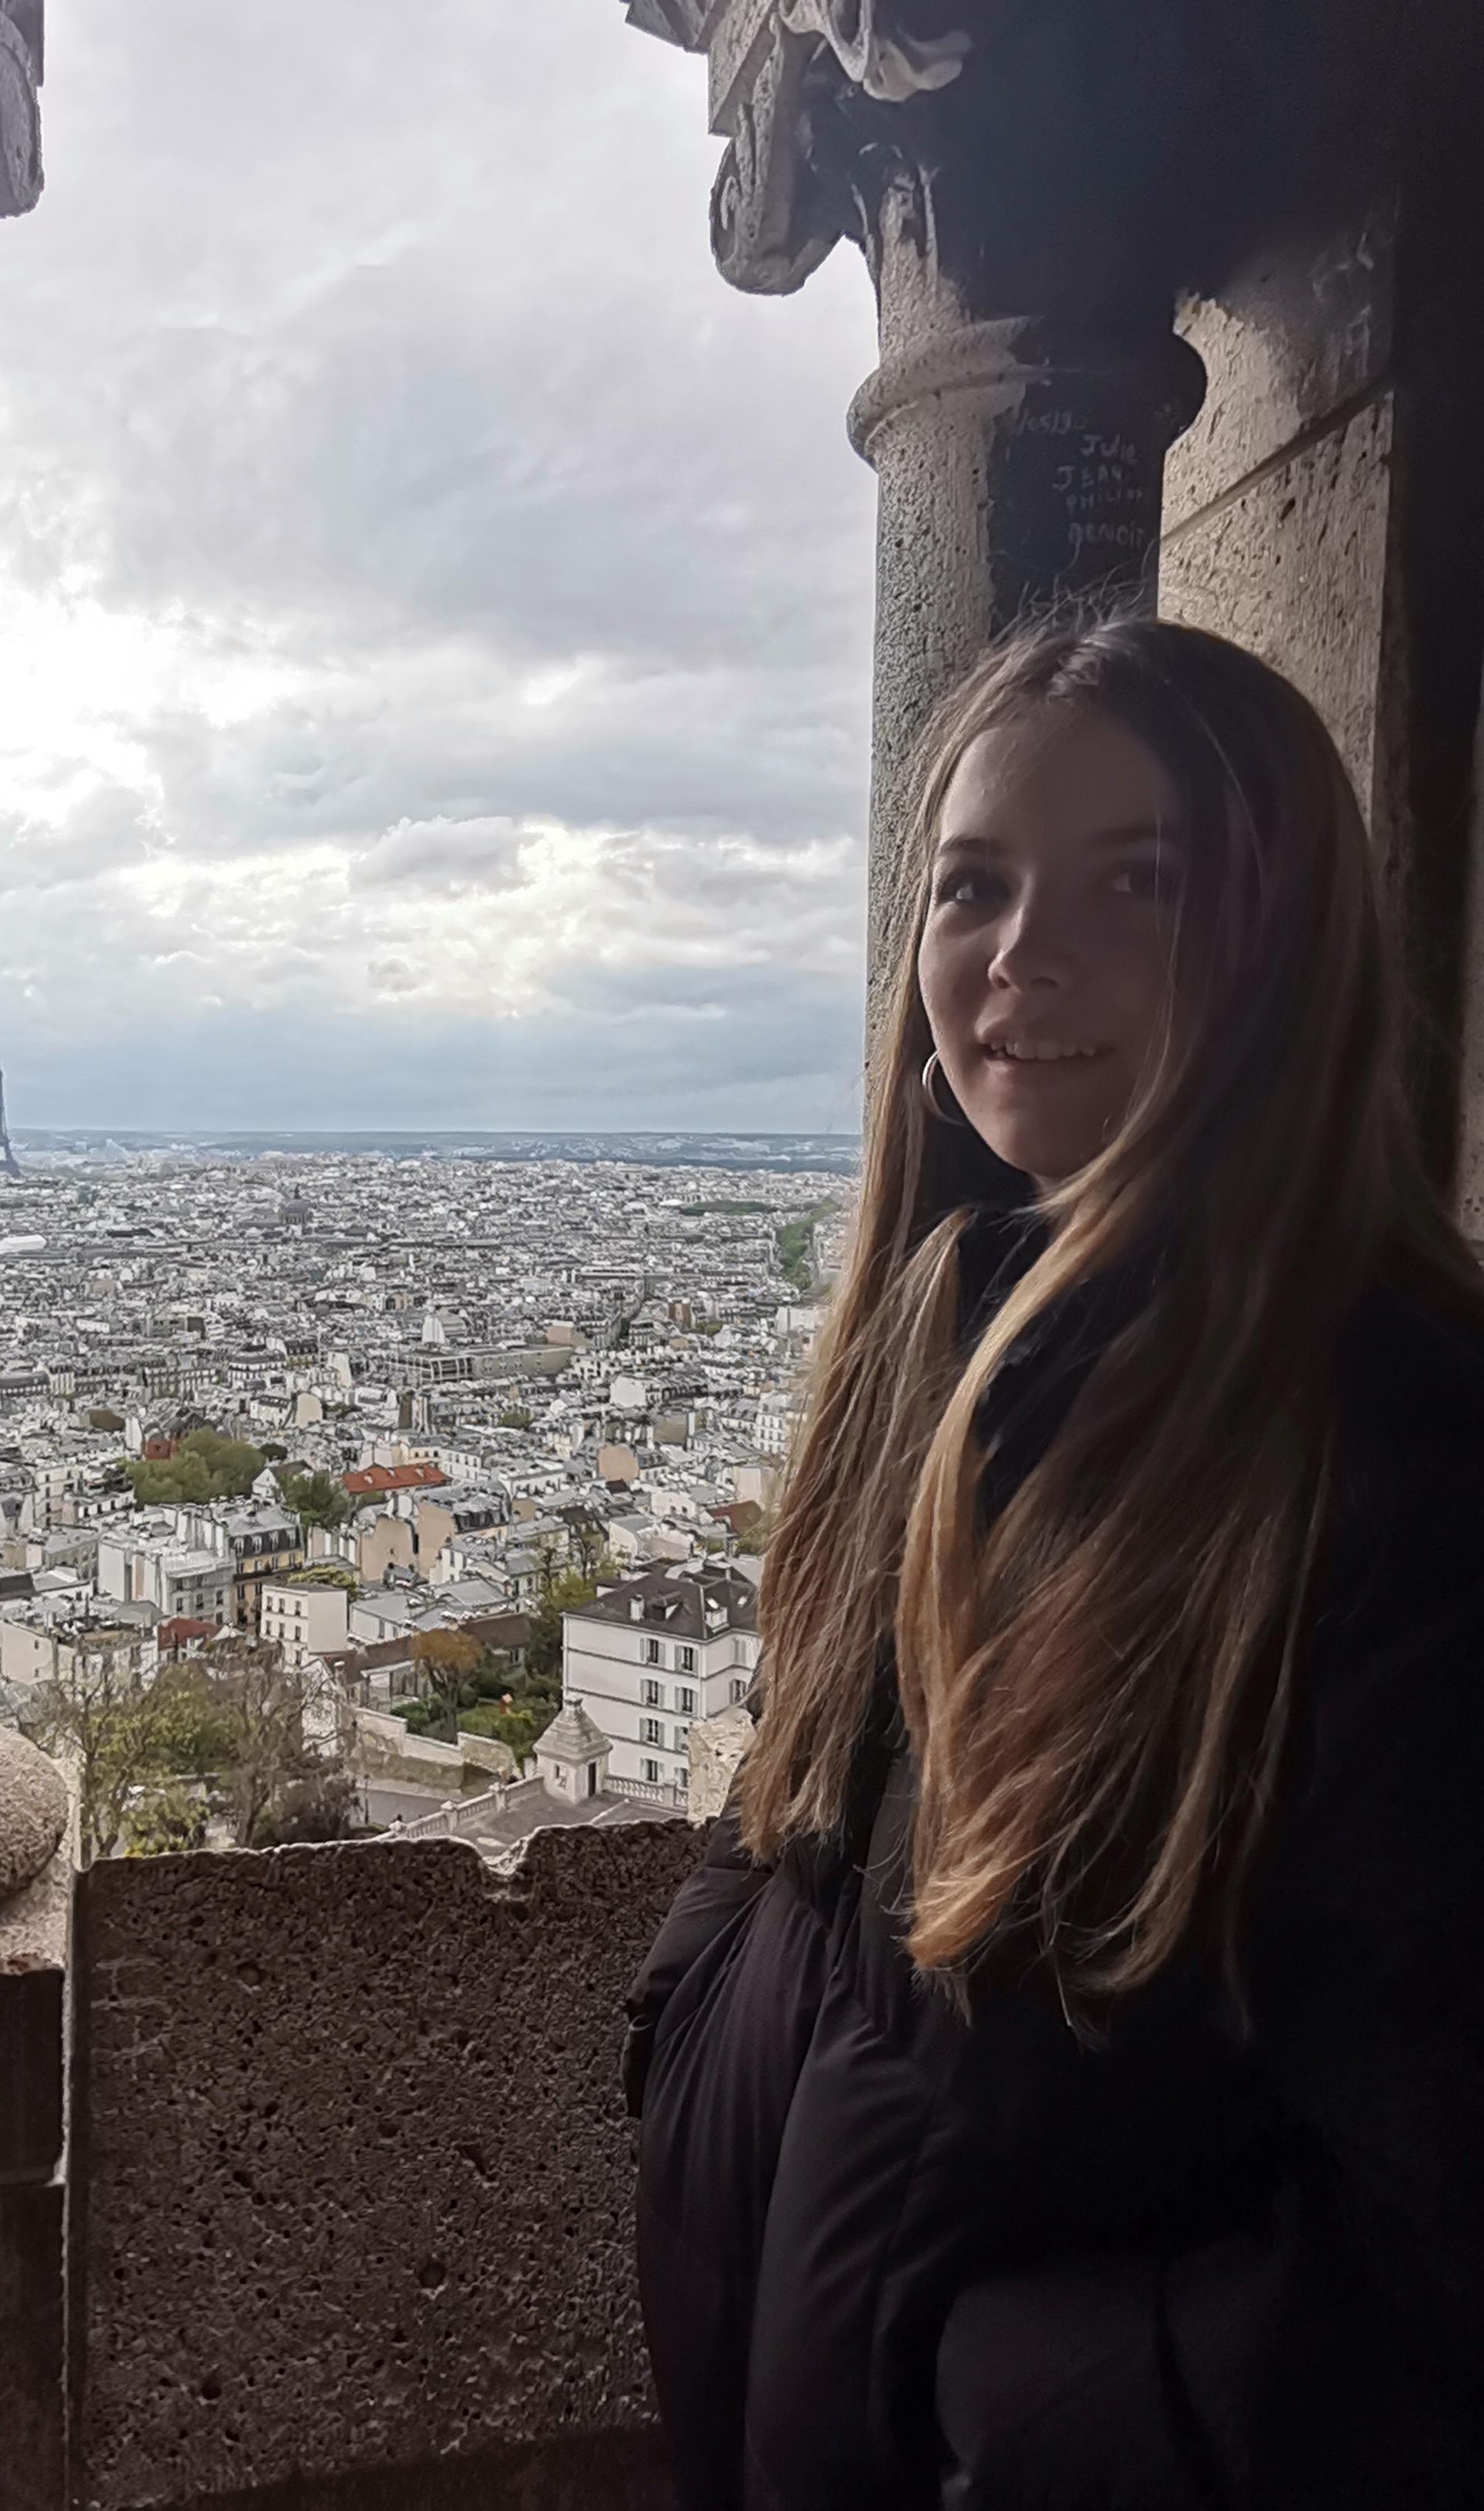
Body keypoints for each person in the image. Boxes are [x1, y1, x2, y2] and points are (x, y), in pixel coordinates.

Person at [625, 616, 1484, 2510]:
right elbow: (821, 1831)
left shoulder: (1397, 1459)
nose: (1026, 954)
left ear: (1283, 944)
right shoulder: (947, 1336)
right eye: (976, 886)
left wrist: (1018, 2417)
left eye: (1141, 882)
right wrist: (708, 2018)